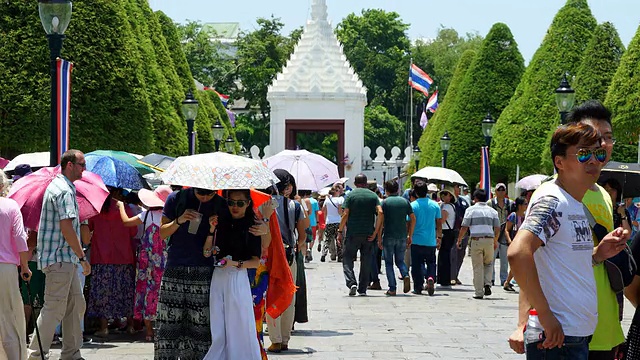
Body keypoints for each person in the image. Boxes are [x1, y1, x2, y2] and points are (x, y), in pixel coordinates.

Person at [508, 100, 627, 359]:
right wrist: (542, 316)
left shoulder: (573, 200)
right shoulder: (552, 199)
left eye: (598, 152)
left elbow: (559, 260)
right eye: (583, 154)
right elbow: (519, 254)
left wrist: (596, 254)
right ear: (559, 162)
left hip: (575, 336)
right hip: (558, 339)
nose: (594, 160)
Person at [28, 150, 91, 360]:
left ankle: (71, 353)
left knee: (75, 305)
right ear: (70, 165)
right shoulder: (63, 189)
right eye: (82, 164)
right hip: (60, 259)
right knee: (54, 308)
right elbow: (66, 227)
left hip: (64, 259)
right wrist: (82, 257)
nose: (84, 168)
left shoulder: (64, 187)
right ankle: (36, 355)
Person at [156, 186, 225, 360]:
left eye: (210, 193)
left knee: (200, 325)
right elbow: (162, 233)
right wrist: (179, 220)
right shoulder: (176, 199)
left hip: (204, 268)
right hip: (175, 266)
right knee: (168, 323)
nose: (205, 197)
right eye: (201, 193)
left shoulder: (220, 204)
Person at [203, 190, 270, 360]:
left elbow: (256, 261)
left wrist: (235, 264)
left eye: (240, 203)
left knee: (239, 323)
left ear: (248, 203)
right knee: (219, 323)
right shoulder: (221, 222)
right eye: (231, 202)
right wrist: (211, 230)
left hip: (238, 277)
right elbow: (207, 252)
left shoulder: (253, 226)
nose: (235, 207)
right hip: (218, 277)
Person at [117, 185, 172, 341]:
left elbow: (126, 222)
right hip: (163, 260)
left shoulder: (145, 215)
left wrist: (121, 206)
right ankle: (162, 327)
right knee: (161, 291)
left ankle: (149, 331)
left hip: (146, 261)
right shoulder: (168, 217)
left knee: (146, 290)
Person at [266, 169, 308, 353]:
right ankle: (284, 339)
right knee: (288, 294)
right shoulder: (295, 206)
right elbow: (303, 234)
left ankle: (274, 338)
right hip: (290, 254)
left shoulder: (265, 204)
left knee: (271, 293)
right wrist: (297, 246)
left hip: (270, 255)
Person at [87, 189, 137, 337]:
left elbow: (88, 228)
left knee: (103, 293)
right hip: (124, 256)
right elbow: (133, 231)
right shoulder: (125, 208)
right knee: (126, 291)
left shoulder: (97, 210)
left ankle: (104, 328)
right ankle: (130, 325)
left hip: (102, 257)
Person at [0, 169, 30, 359]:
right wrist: (25, 267)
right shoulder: (10, 206)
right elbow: (20, 238)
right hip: (6, 267)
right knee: (10, 314)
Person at [338, 174, 382, 296]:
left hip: (353, 233)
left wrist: (340, 231)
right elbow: (380, 212)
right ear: (366, 183)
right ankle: (362, 288)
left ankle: (352, 282)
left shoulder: (350, 195)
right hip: (368, 233)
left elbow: (345, 213)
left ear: (355, 183)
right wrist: (375, 231)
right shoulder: (373, 196)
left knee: (347, 259)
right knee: (366, 260)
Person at [456, 189, 500, 299]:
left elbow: (464, 226)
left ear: (475, 198)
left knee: (478, 266)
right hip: (489, 239)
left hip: (476, 240)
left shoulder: (470, 210)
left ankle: (479, 292)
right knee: (489, 263)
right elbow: (498, 227)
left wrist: (459, 239)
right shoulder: (492, 211)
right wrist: (495, 240)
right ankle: (487, 283)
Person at [377, 180, 415, 296]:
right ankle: (405, 274)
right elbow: (412, 218)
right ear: (398, 189)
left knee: (388, 263)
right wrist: (410, 235)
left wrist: (378, 237)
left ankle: (392, 288)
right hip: (402, 235)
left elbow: (380, 219)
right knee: (400, 260)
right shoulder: (405, 202)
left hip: (389, 235)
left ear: (387, 190)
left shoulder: (385, 202)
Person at [409, 180, 442, 295]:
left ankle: (418, 287)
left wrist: (409, 236)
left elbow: (408, 222)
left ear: (416, 193)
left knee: (417, 264)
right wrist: (439, 237)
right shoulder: (435, 205)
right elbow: (439, 222)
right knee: (431, 262)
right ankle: (431, 277)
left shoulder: (413, 205)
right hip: (430, 240)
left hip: (416, 240)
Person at [488, 183, 515, 287]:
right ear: (495, 192)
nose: (501, 192)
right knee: (492, 258)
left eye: (503, 190)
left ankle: (504, 279)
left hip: (505, 233)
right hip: (493, 232)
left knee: (504, 258)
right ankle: (491, 278)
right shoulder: (490, 203)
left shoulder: (510, 203)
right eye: (499, 190)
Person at [502, 196, 527, 292]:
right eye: (525, 204)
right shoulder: (513, 216)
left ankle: (508, 282)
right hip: (514, 242)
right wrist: (509, 241)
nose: (526, 206)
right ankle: (508, 282)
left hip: (522, 242)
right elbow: (506, 230)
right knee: (517, 263)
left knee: (519, 264)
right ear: (519, 206)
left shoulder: (526, 216)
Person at [437, 186, 457, 288]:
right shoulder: (447, 206)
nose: (443, 196)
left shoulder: (447, 207)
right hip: (449, 232)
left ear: (450, 196)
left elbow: (442, 220)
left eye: (446, 194)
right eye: (442, 194)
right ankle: (443, 278)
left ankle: (444, 279)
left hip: (446, 232)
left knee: (444, 256)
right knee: (444, 255)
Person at [450, 184, 470, 285]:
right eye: (455, 187)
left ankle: (455, 275)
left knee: (461, 255)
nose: (457, 189)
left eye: (458, 187)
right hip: (452, 231)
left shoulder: (463, 201)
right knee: (453, 254)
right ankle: (451, 276)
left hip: (463, 231)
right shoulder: (449, 201)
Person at [321, 184, 344, 262]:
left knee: (327, 239)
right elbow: (340, 211)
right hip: (338, 221)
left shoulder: (327, 200)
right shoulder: (340, 199)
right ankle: (340, 256)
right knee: (339, 239)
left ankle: (324, 254)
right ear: (337, 192)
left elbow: (323, 210)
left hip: (329, 221)